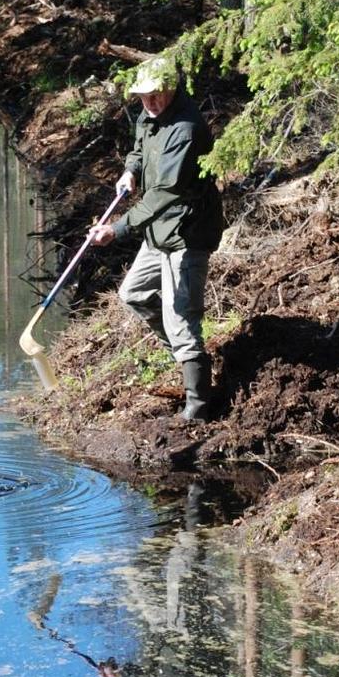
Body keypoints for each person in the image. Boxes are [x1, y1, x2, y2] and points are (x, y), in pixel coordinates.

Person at [89, 55, 224, 421]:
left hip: (187, 233)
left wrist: (115, 230)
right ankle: (185, 357)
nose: (148, 102)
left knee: (182, 317)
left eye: (154, 95)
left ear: (170, 88)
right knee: (132, 293)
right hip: (158, 231)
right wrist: (130, 171)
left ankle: (197, 409)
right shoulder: (149, 117)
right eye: (143, 96)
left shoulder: (185, 129)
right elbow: (138, 148)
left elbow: (165, 193)